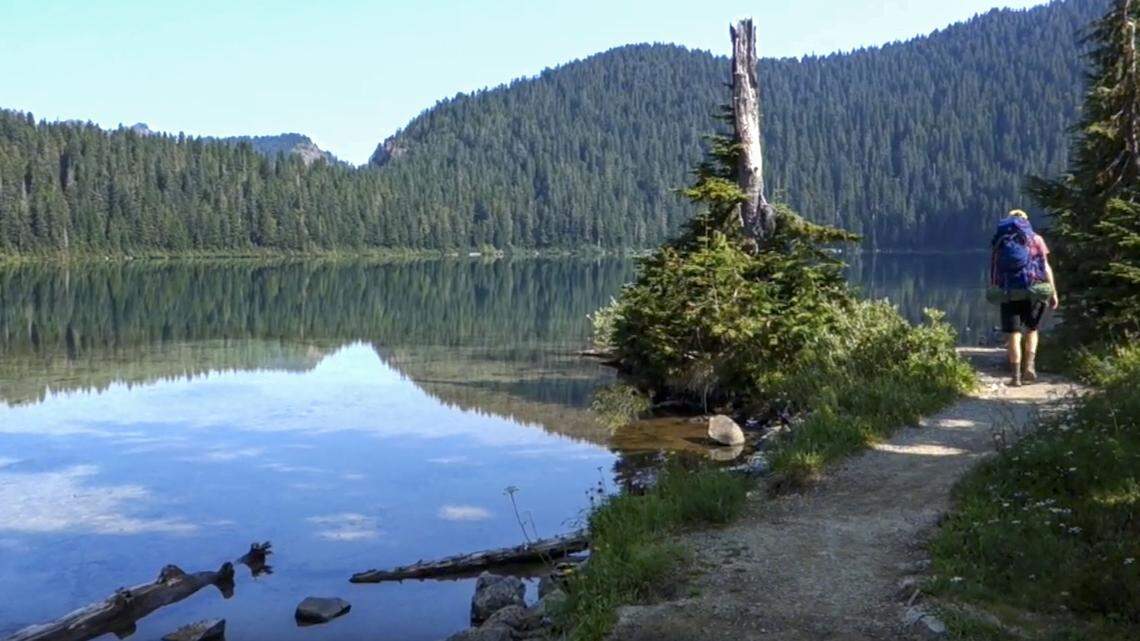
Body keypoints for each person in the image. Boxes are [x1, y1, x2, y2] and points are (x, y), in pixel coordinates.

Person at [993, 210, 1060, 386]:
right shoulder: (1036, 239)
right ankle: (1029, 367)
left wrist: (996, 289)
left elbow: (995, 269)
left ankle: (1015, 377)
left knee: (1014, 334)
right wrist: (1053, 291)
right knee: (1032, 329)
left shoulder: (1001, 241)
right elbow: (1045, 267)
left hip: (1010, 292)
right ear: (1026, 221)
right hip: (1034, 291)